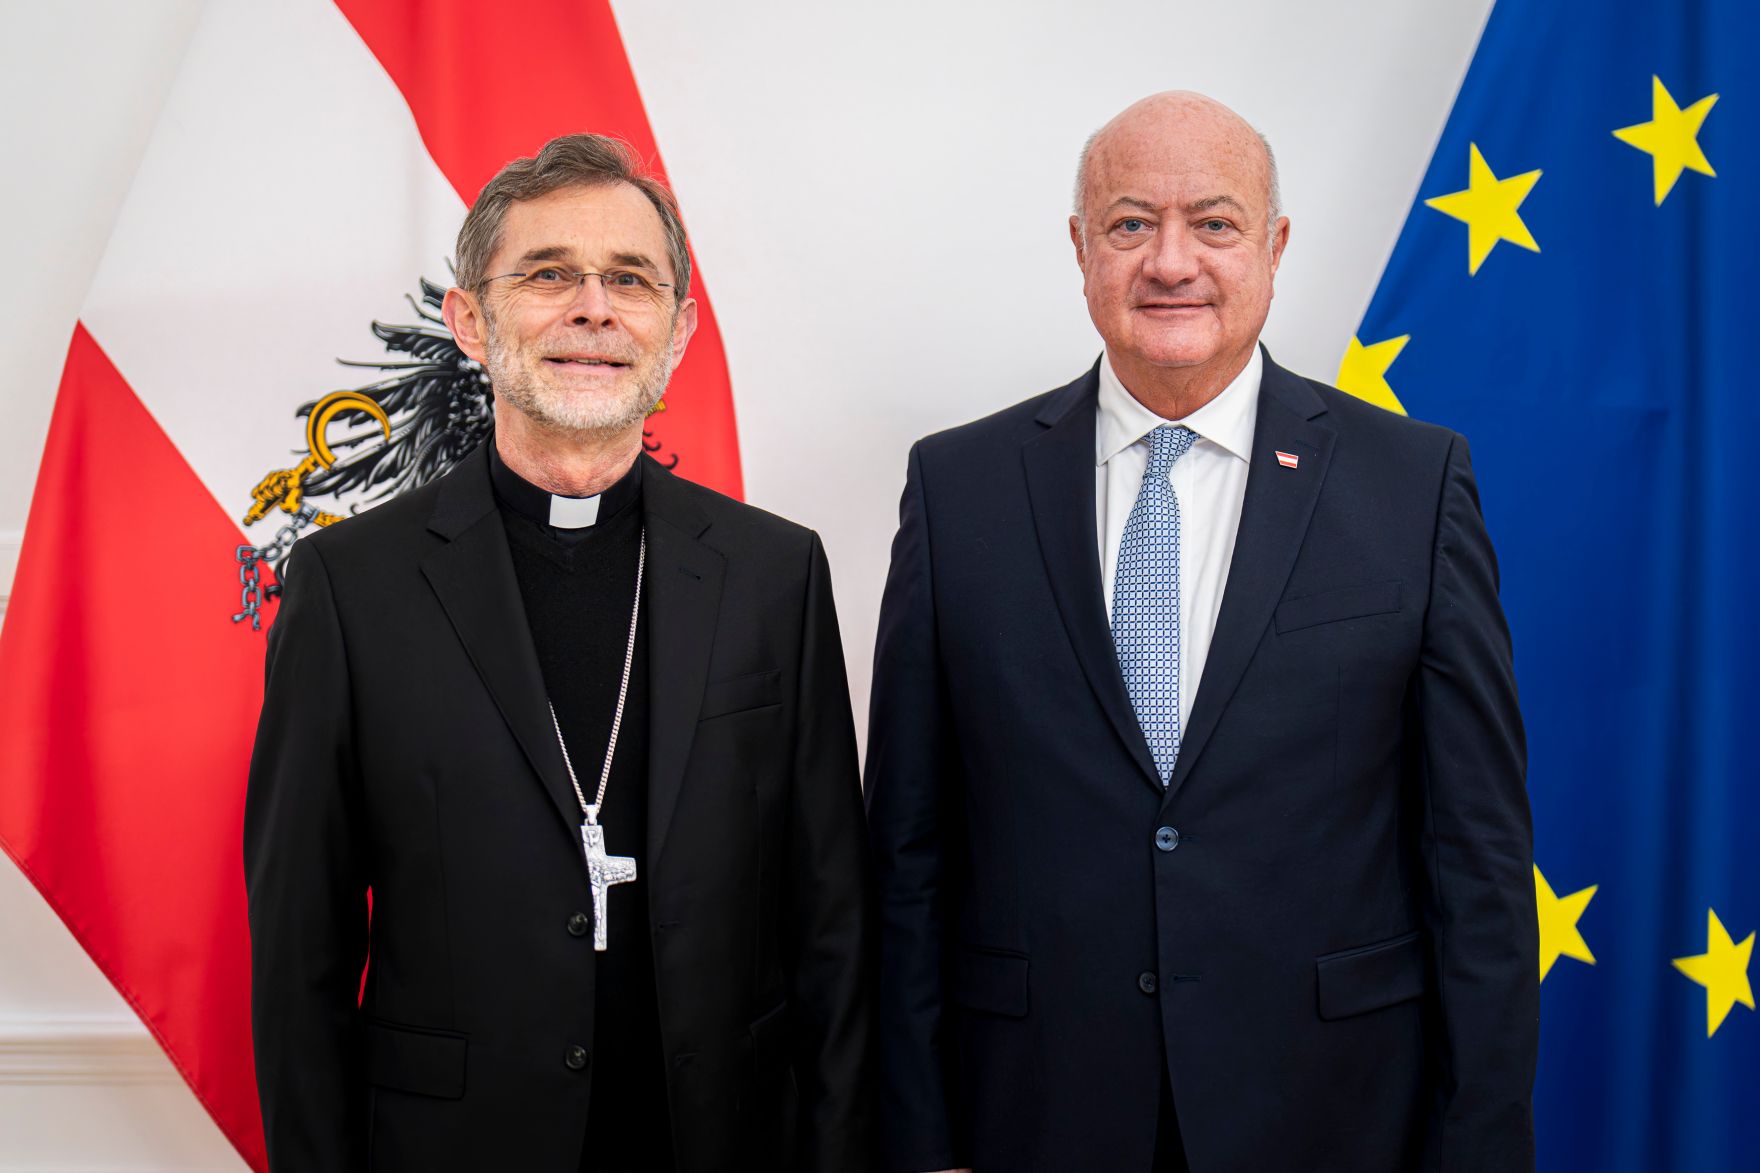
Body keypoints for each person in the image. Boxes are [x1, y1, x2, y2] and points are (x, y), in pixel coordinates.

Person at [865, 92, 1537, 1173]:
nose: (1170, 262)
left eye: (1213, 224)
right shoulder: (958, 488)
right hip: (1033, 1115)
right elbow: (906, 852)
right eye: (1131, 224)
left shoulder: (1412, 486)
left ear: (1272, 249)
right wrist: (920, 1138)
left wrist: (1479, 1150)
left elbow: (1478, 862)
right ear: (1079, 251)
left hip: (1335, 1114)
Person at [245, 134, 872, 1173]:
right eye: (548, 276)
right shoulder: (349, 587)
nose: (593, 308)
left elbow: (832, 928)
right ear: (470, 322)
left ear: (675, 332)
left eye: (630, 279)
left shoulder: (775, 573)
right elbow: (299, 956)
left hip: (721, 1139)